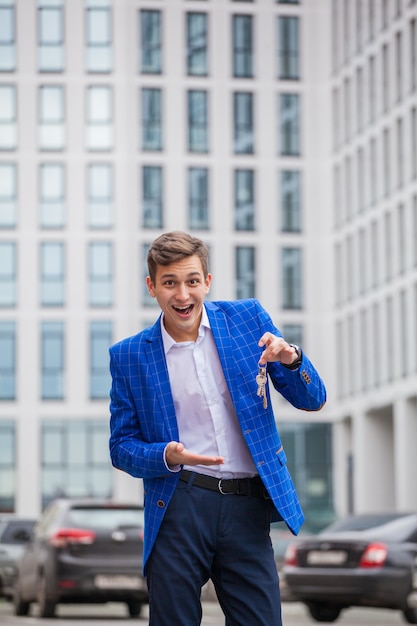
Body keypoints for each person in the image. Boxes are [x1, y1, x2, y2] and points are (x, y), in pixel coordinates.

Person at [109, 231, 326, 626]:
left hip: (246, 507)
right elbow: (121, 446)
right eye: (169, 283)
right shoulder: (129, 356)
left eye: (192, 281)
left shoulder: (247, 321)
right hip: (179, 504)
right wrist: (165, 456)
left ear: (207, 281)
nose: (182, 295)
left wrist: (291, 358)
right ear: (151, 287)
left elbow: (313, 399)